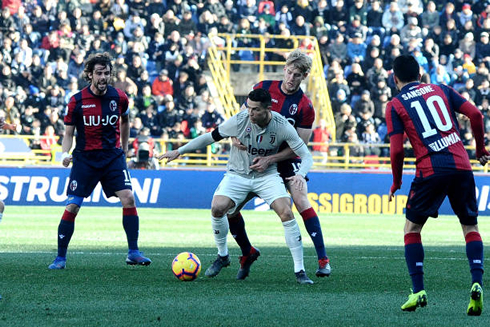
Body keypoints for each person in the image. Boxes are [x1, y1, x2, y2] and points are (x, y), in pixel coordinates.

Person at [159, 88, 315, 284]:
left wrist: (300, 174)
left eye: (255, 110)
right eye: (248, 108)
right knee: (217, 208)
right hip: (238, 174)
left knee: (286, 212)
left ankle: (300, 271)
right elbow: (210, 137)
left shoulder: (282, 126)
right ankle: (223, 256)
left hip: (266, 176)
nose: (250, 113)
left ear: (268, 109)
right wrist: (179, 151)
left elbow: (306, 155)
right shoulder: (240, 119)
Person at [386, 55, 489, 315]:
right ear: (420, 74)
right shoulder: (441, 89)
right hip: (461, 165)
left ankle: (418, 290)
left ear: (394, 78)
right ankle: (476, 283)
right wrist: (480, 149)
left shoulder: (395, 104)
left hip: (430, 169)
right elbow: (476, 115)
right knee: (470, 226)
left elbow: (397, 151)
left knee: (412, 228)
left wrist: (396, 181)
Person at [227, 49, 331, 280]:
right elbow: (242, 118)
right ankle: (247, 252)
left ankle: (323, 259)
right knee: (229, 208)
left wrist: (271, 159)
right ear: (285, 69)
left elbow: (299, 147)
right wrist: (235, 135)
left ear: (304, 76)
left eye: (297, 75)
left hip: (284, 159)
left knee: (301, 197)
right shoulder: (264, 87)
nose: (291, 78)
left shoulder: (305, 106)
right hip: (255, 156)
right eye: (290, 72)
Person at [48, 52, 151, 270]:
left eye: (106, 73)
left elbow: (125, 121)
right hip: (85, 158)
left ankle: (133, 252)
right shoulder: (77, 100)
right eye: (99, 73)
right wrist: (64, 154)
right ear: (89, 75)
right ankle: (60, 257)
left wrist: (123, 149)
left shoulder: (120, 97)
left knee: (129, 198)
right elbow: (68, 133)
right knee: (73, 205)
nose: (103, 77)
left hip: (112, 157)